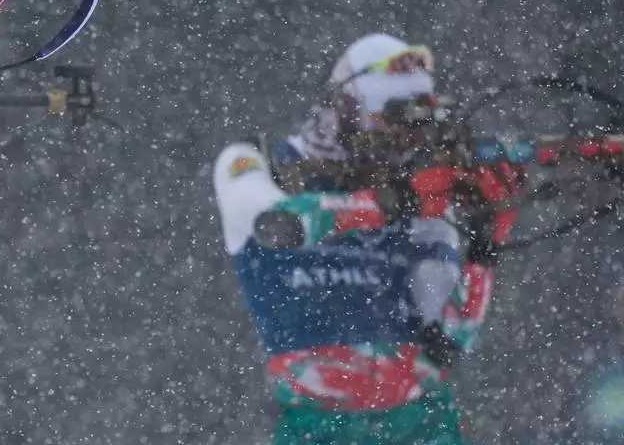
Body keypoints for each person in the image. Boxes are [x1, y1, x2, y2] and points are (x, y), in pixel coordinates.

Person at [212, 33, 514, 445]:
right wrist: (398, 201)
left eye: (415, 130)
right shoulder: (260, 162)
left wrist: (486, 239)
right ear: (346, 109)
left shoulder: (414, 189)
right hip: (317, 425)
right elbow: (278, 224)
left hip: (420, 421)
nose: (404, 144)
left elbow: (447, 341)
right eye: (392, 123)